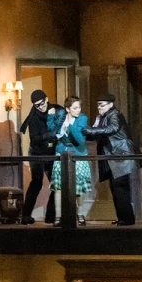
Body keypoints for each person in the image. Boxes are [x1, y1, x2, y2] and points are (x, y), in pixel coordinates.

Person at [83, 93, 141, 226]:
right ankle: (123, 217)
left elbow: (113, 128)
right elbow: (99, 133)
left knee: (120, 187)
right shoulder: (103, 117)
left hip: (120, 156)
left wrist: (92, 130)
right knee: (115, 187)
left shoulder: (115, 114)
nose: (99, 108)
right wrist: (90, 131)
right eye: (98, 105)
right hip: (113, 157)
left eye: (102, 105)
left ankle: (127, 219)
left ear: (110, 104)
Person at [19, 89, 63, 225]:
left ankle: (51, 216)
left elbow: (64, 121)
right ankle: (26, 216)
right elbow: (35, 139)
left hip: (52, 152)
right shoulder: (33, 118)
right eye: (37, 105)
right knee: (36, 182)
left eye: (42, 103)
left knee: (56, 184)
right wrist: (50, 135)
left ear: (47, 98)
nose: (41, 107)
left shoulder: (57, 110)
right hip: (37, 153)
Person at [48, 96, 92, 227]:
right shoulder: (61, 116)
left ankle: (79, 214)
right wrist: (50, 118)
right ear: (67, 109)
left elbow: (80, 140)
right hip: (61, 154)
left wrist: (71, 126)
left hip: (77, 154)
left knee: (78, 188)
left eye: (79, 107)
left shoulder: (82, 119)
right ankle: (58, 217)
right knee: (58, 187)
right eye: (75, 108)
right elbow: (51, 130)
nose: (78, 110)